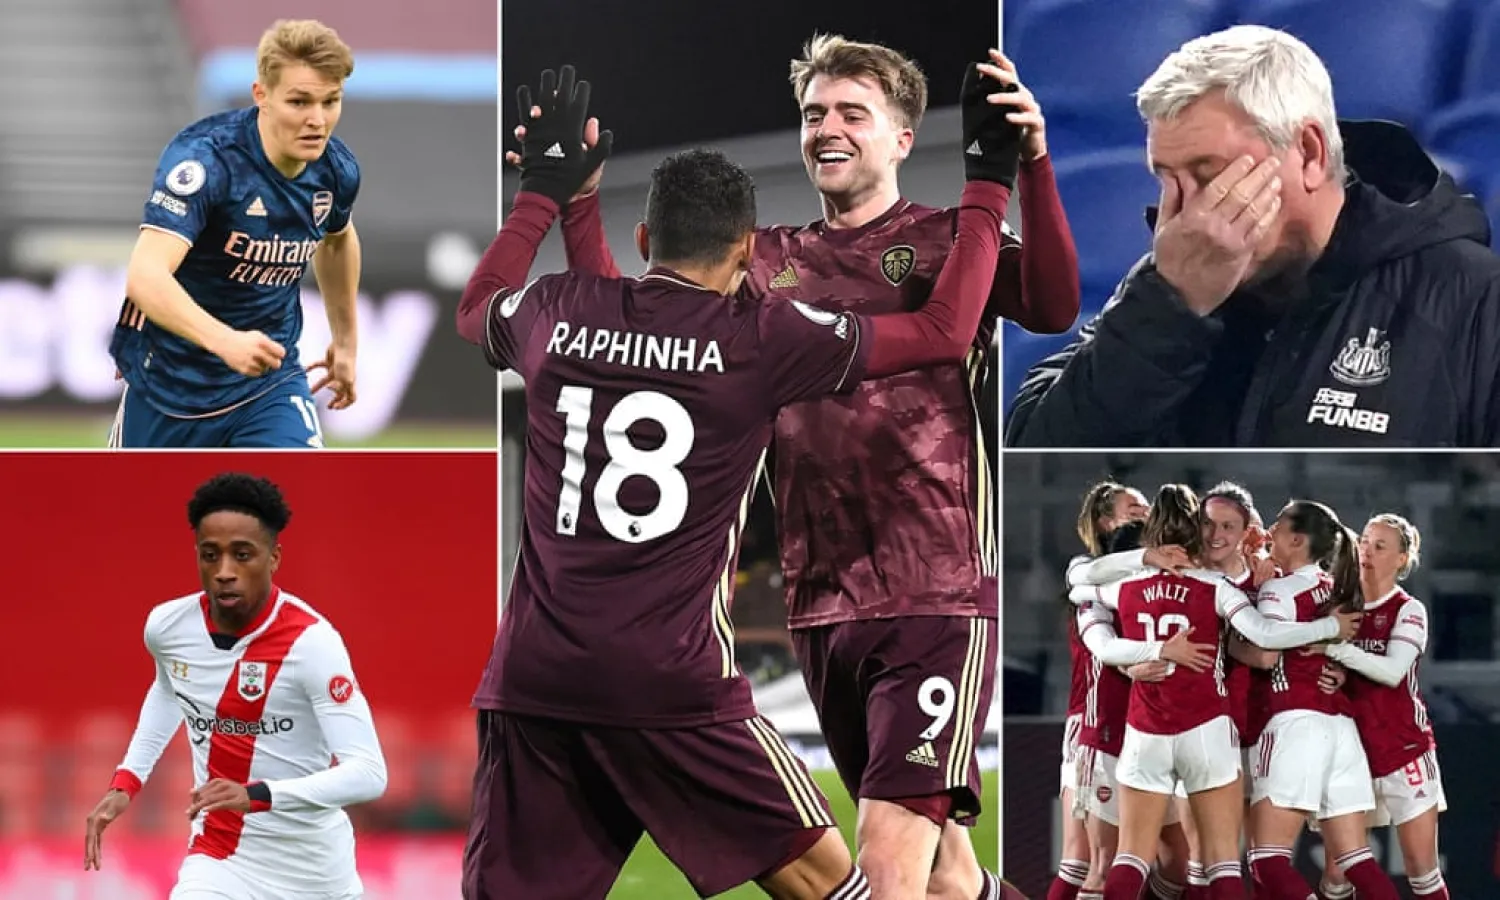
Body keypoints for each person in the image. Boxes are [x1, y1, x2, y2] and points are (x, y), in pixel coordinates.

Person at [526, 37, 1076, 898]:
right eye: (815, 113)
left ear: (902, 136)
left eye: (853, 113)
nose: (828, 127)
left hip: (935, 591)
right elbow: (646, 340)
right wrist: (578, 207)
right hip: (821, 600)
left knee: (887, 872)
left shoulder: (951, 239)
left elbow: (1053, 303)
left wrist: (1031, 165)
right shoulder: (764, 257)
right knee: (944, 881)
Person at [1005, 24, 1500, 448]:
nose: (1186, 215)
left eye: (1209, 172)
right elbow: (1030, 452)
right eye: (1166, 177)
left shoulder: (1474, 299)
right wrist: (1168, 309)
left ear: (1308, 153)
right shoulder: (1160, 291)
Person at [83, 473, 387, 899]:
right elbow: (170, 690)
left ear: (274, 557)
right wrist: (126, 784)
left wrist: (258, 794)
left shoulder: (313, 643)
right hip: (221, 858)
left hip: (316, 873)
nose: (224, 572)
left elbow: (369, 775)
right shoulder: (167, 627)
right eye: (211, 555)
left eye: (242, 555)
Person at [1069, 484, 1362, 900]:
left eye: (1228, 526)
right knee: (1211, 862)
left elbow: (1268, 654)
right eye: (1207, 523)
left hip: (1254, 729)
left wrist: (1336, 661)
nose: (1215, 534)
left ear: (1248, 532)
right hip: (1212, 730)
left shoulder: (1270, 579)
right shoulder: (1207, 582)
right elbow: (1264, 642)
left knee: (1256, 861)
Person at [109, 19, 362, 449]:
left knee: (302, 508)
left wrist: (346, 343)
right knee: (140, 518)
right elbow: (145, 275)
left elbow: (337, 239)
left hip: (269, 384)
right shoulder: (206, 162)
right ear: (261, 95)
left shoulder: (336, 170)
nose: (317, 120)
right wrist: (225, 342)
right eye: (299, 102)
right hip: (169, 382)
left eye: (330, 101)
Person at [1245, 501, 1400, 900]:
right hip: (1341, 730)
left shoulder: (1280, 590)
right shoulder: (1338, 588)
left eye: (1277, 527)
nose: (1270, 534)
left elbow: (1266, 645)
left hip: (1295, 723)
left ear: (1296, 540)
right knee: (1356, 860)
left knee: (1267, 860)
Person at [1312, 514, 1449, 900]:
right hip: (1347, 753)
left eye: (1380, 546)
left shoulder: (1408, 610)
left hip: (1402, 748)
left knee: (1421, 869)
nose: (1366, 551)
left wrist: (1335, 649)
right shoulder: (1336, 608)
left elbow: (1391, 672)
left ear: (1403, 559)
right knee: (1337, 873)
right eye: (1364, 542)